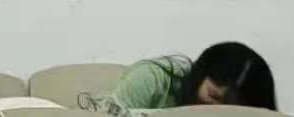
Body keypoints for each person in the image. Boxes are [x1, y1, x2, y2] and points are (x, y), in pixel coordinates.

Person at [85, 42, 277, 113]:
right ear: (200, 76)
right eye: (213, 96)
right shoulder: (152, 80)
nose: (216, 110)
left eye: (230, 106)